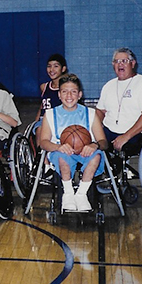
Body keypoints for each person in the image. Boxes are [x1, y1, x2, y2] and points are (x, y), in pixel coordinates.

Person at [39, 74, 108, 212]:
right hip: (60, 151)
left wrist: (94, 145)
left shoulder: (90, 113)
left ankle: (82, 194)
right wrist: (58, 147)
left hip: (85, 151)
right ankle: (68, 193)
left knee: (96, 156)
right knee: (62, 157)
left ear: (80, 94)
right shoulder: (50, 114)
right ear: (59, 95)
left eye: (73, 91)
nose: (69, 95)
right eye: (64, 91)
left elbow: (104, 142)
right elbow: (43, 142)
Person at [96, 47, 142, 154]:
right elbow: (100, 111)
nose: (120, 64)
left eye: (124, 61)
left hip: (136, 134)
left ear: (133, 63)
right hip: (109, 131)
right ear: (113, 65)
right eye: (116, 61)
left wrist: (126, 136)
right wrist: (96, 131)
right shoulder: (108, 86)